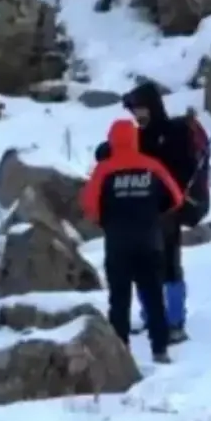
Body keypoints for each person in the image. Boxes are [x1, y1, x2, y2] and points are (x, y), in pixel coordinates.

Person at [81, 119, 184, 365]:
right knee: (154, 298)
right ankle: (160, 349)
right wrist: (155, 212)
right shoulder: (153, 166)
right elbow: (176, 198)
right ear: (135, 139)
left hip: (118, 245)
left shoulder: (104, 170)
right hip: (150, 242)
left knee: (119, 300)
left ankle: (121, 352)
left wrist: (106, 220)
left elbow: (89, 206)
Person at [120, 82, 211, 344]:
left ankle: (174, 321)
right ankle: (152, 316)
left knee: (169, 264)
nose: (137, 115)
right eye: (134, 110)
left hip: (169, 208)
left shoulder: (174, 132)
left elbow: (184, 169)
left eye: (140, 109)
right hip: (144, 209)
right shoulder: (138, 137)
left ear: (152, 106)